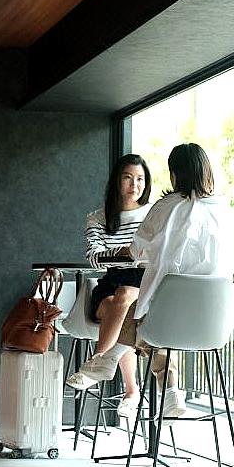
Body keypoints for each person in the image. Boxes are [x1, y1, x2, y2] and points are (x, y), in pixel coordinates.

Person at [67, 143, 234, 422]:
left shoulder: (165, 207)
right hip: (213, 321)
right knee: (147, 313)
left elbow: (136, 251)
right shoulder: (224, 210)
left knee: (147, 316)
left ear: (174, 174)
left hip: (167, 317)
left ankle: (108, 359)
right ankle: (168, 392)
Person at [65, 153, 152, 419]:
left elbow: (157, 254)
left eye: (140, 179)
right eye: (128, 178)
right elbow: (94, 256)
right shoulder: (98, 218)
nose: (135, 185)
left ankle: (99, 359)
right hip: (110, 284)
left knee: (125, 298)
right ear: (117, 181)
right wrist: (128, 251)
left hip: (143, 283)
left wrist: (126, 254)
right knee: (120, 307)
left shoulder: (152, 215)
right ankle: (131, 390)